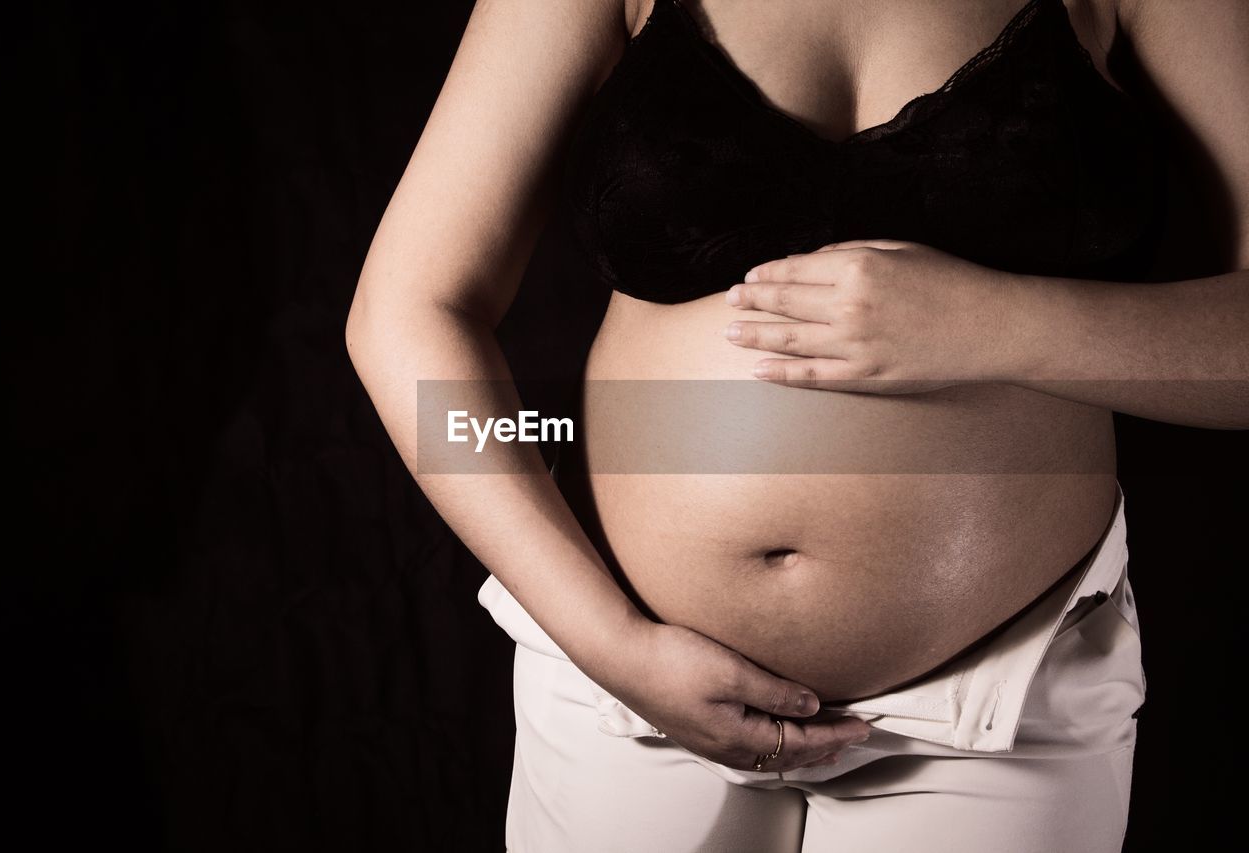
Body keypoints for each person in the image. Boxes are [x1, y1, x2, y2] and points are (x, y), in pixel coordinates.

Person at [345, 0, 1248, 849]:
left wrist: (996, 323)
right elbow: (405, 314)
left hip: (999, 703)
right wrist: (610, 643)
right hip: (624, 690)